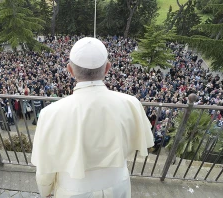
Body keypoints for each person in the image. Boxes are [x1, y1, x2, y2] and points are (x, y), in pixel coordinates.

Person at [31, 37, 154, 198]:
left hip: (74, 191)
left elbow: (45, 167)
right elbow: (143, 142)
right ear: (107, 68)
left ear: (70, 70)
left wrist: (45, 191)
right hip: (118, 186)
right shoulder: (131, 103)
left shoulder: (50, 113)